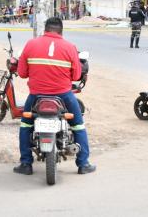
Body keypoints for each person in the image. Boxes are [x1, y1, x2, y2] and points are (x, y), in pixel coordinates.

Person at [13, 17, 96, 176]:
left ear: (45, 29)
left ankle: (25, 163)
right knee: (78, 126)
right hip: (64, 95)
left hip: (36, 95)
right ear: (61, 31)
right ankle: (83, 164)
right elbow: (77, 75)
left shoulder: (31, 44)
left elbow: (22, 73)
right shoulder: (70, 47)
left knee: (25, 126)